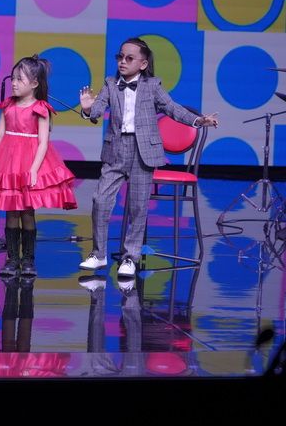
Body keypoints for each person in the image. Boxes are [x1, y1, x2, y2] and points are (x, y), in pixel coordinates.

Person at [78, 37, 218, 276]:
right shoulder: (111, 84)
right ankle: (98, 254)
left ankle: (130, 257)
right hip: (116, 150)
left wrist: (198, 120)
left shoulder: (152, 86)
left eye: (129, 58)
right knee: (100, 200)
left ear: (143, 64)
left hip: (143, 151)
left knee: (138, 207)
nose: (122, 62)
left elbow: (173, 109)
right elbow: (97, 111)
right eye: (120, 57)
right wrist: (88, 108)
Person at [0, 55, 77, 275]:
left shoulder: (40, 108)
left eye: (19, 79)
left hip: (30, 161)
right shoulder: (8, 105)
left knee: (27, 212)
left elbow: (43, 142)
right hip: (8, 162)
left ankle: (28, 259)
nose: (13, 83)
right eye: (13, 78)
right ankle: (12, 259)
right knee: (12, 211)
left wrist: (33, 169)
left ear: (34, 83)